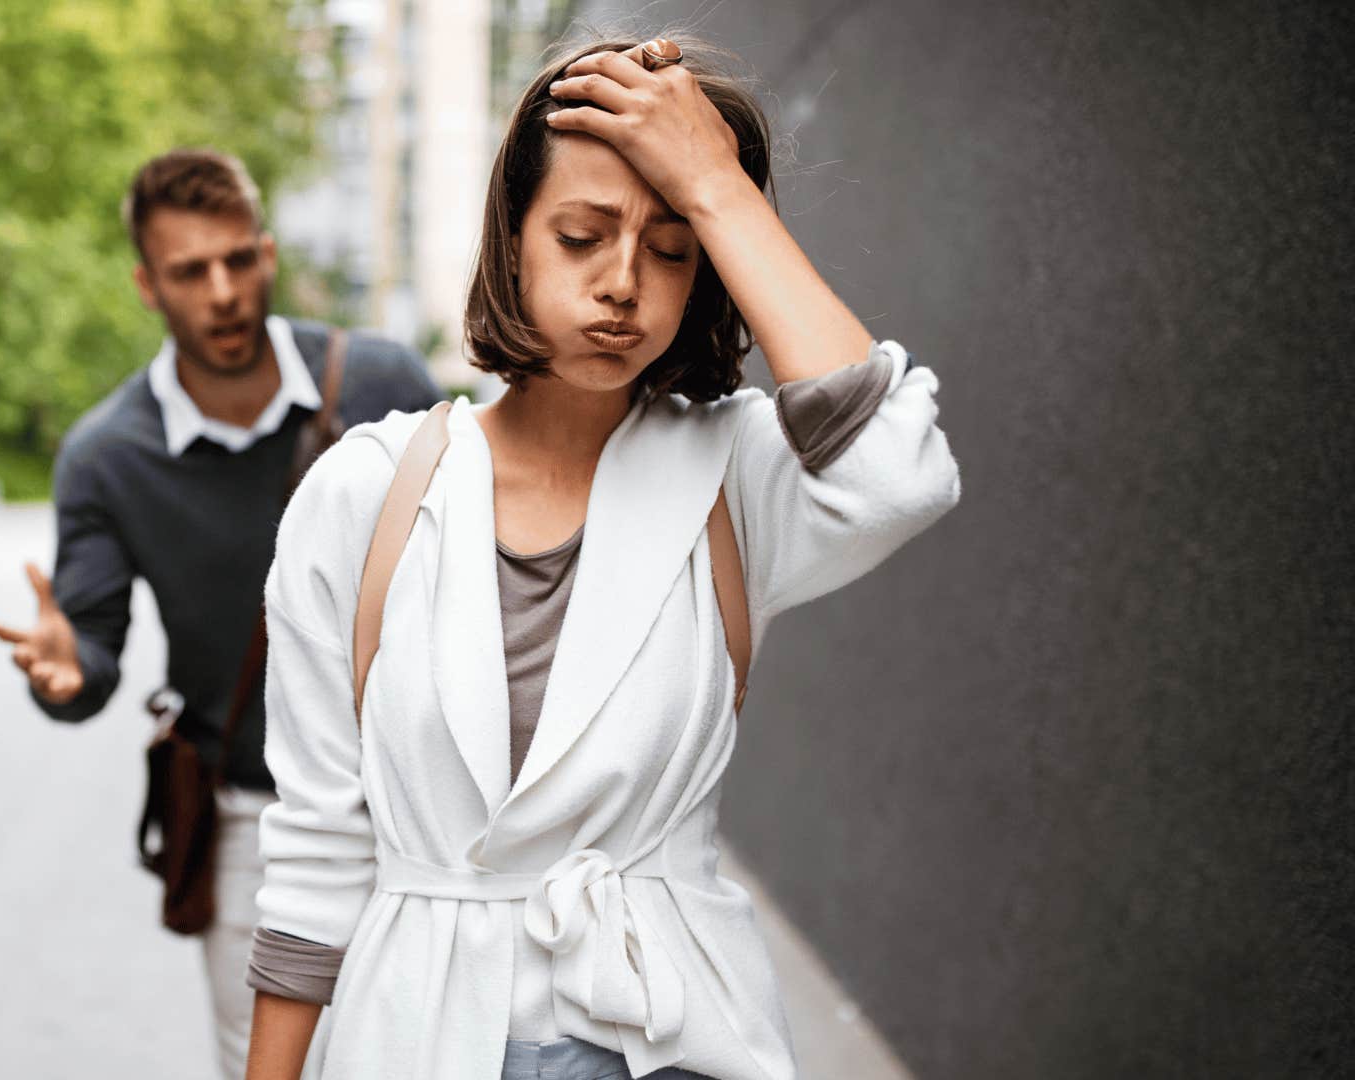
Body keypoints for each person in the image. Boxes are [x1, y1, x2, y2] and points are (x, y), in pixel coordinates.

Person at [243, 34, 961, 1080]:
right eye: (582, 236)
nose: (623, 284)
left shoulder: (736, 476)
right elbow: (315, 847)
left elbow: (901, 474)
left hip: (666, 1039)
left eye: (672, 249)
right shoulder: (367, 494)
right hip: (419, 1035)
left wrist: (717, 183)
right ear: (515, 241)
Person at [0, 147, 440, 1080]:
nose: (225, 291)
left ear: (268, 253)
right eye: (191, 271)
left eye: (241, 259)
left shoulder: (385, 383)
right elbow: (90, 659)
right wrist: (64, 670)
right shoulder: (106, 457)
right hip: (249, 820)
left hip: (423, 805)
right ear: (147, 286)